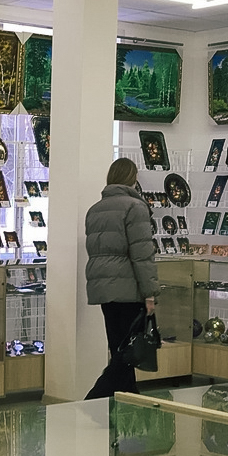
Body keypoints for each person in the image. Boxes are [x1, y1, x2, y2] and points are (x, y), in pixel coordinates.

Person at [83, 157, 158, 399]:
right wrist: (149, 293)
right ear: (132, 178)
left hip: (103, 289)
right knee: (125, 355)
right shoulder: (136, 207)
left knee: (120, 348)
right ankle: (91, 402)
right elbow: (142, 254)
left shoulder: (95, 209)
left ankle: (129, 400)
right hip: (128, 289)